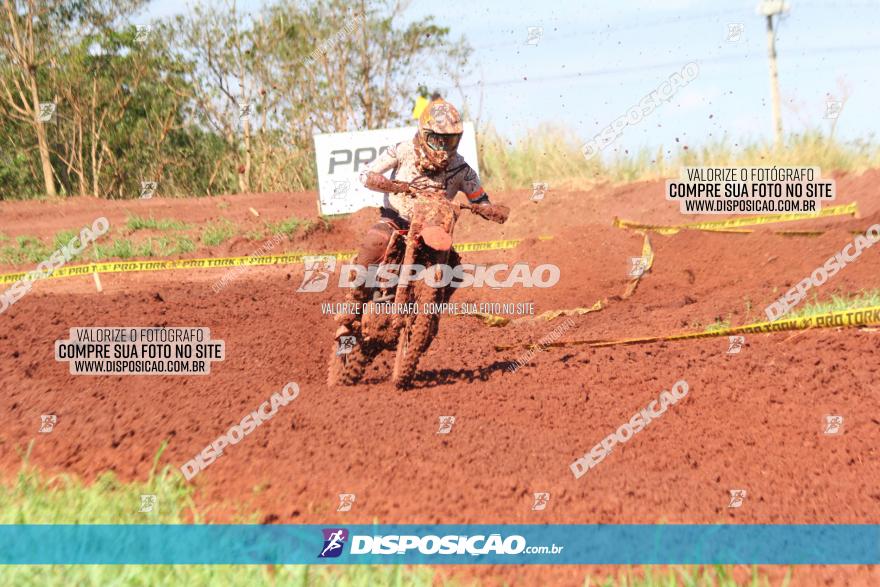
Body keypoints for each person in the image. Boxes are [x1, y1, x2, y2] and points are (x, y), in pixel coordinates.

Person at [334, 99, 493, 337]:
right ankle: (353, 306)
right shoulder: (403, 150)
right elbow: (366, 173)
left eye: (449, 140)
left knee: (455, 269)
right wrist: (388, 184)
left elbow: (479, 197)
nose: (442, 147)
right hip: (396, 220)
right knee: (373, 242)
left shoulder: (462, 168)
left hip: (433, 229)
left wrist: (487, 208)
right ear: (424, 132)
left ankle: (429, 317)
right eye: (437, 139)